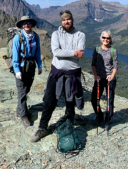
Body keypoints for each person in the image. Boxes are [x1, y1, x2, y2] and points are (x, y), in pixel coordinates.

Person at [30, 10, 86, 142]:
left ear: (72, 20)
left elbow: (81, 53)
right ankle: (42, 128)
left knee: (70, 102)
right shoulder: (56, 34)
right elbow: (56, 52)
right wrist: (74, 53)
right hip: (57, 73)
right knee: (49, 101)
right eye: (64, 20)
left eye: (68, 19)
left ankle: (69, 125)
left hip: (73, 74)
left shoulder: (80, 35)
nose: (66, 21)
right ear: (61, 22)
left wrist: (68, 53)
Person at [13, 16, 43, 128]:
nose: (26, 25)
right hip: (21, 67)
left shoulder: (36, 36)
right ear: (21, 25)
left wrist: (39, 65)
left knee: (27, 89)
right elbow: (15, 54)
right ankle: (23, 116)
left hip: (31, 67)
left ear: (31, 24)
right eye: (24, 23)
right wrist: (16, 70)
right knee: (22, 92)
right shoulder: (18, 37)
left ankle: (19, 109)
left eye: (28, 22)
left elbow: (38, 51)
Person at [91, 30, 118, 128]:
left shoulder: (113, 50)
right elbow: (93, 64)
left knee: (109, 100)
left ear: (110, 39)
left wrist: (112, 75)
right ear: (101, 38)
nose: (106, 40)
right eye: (104, 37)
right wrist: (95, 75)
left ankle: (108, 121)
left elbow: (115, 65)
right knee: (94, 99)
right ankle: (99, 116)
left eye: (108, 38)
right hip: (99, 78)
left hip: (109, 79)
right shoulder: (97, 49)